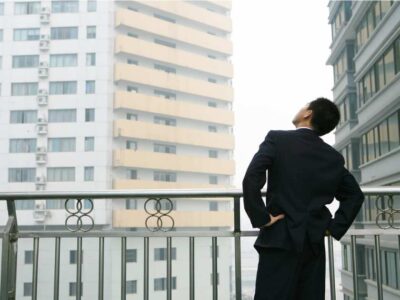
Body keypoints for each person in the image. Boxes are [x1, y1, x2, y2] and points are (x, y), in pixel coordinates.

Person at [242, 98, 364, 300]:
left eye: (303, 107)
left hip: (280, 237)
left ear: (308, 113)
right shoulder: (332, 157)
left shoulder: (277, 139)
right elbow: (355, 195)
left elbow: (252, 177)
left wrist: (261, 217)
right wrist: (333, 227)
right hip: (313, 240)